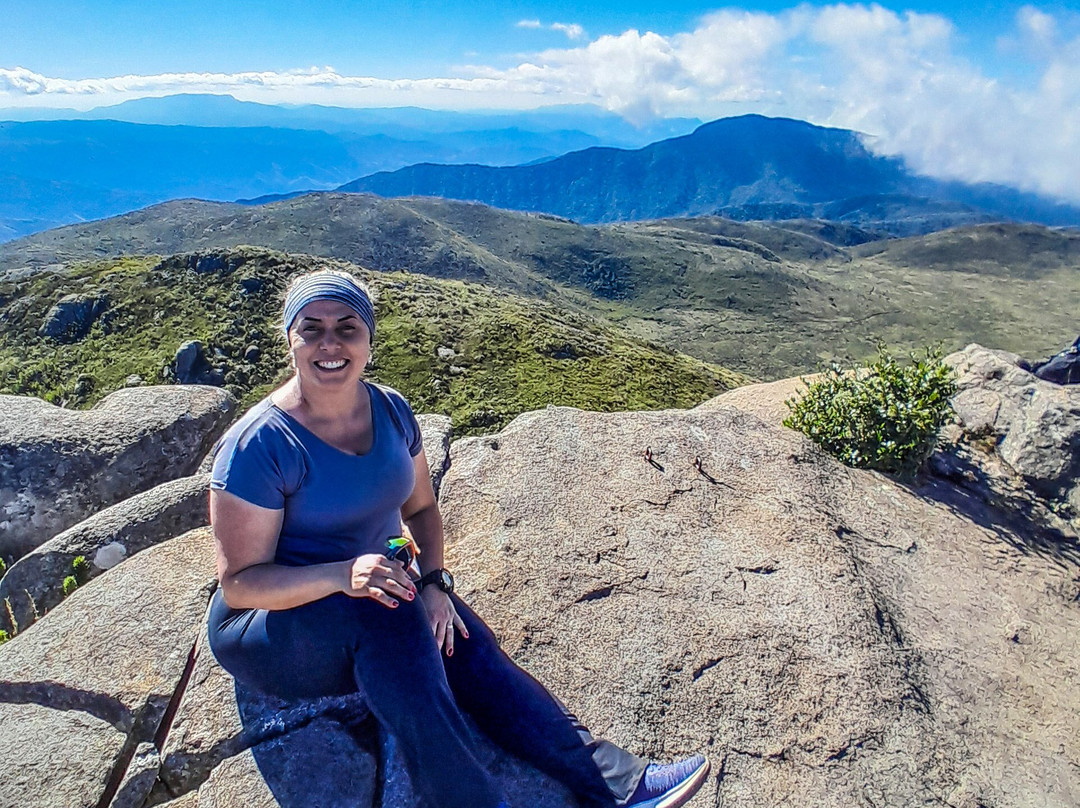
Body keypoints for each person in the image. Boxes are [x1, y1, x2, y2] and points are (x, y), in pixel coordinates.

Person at [206, 269, 710, 808]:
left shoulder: (392, 412)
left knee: (466, 647)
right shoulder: (260, 444)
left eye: (347, 327)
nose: (329, 343)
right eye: (312, 329)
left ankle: (618, 784)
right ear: (290, 340)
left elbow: (420, 507)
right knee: (387, 618)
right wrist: (340, 576)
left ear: (369, 340)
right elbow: (239, 585)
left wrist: (435, 585)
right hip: (273, 627)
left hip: (380, 588)